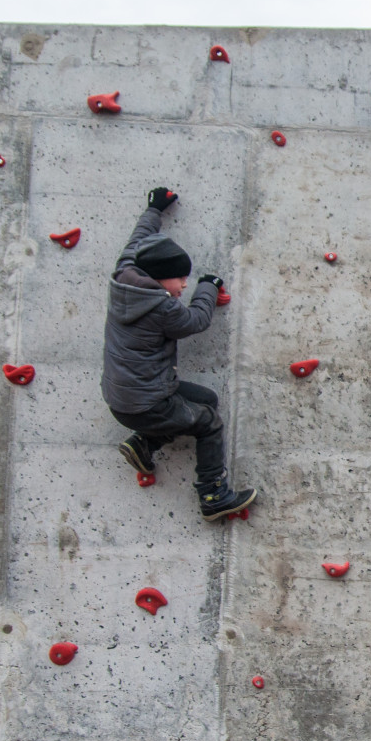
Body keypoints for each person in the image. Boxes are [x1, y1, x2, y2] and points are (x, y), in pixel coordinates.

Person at [105, 187, 257, 521]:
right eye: (180, 279)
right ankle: (214, 495)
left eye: (188, 280)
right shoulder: (161, 307)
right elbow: (196, 320)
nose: (184, 286)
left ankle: (145, 444)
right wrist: (209, 285)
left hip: (128, 396)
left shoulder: (124, 276)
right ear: (158, 280)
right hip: (148, 401)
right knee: (209, 423)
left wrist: (154, 209)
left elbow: (137, 241)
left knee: (206, 399)